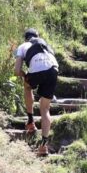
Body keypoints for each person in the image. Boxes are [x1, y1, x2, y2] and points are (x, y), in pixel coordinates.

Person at [14, 28, 59, 156]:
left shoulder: (23, 46)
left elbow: (16, 71)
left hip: (37, 69)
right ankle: (43, 146)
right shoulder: (46, 45)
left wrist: (25, 76)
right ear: (37, 37)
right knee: (45, 108)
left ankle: (30, 122)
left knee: (27, 86)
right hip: (53, 69)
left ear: (26, 38)